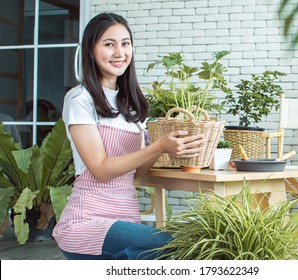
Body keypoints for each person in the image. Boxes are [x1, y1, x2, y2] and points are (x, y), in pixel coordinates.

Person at [52, 13, 205, 260]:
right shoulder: (80, 98)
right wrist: (157, 147)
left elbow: (135, 173)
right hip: (87, 222)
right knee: (176, 247)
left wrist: (165, 147)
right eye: (109, 44)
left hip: (125, 217)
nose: (119, 52)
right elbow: (100, 169)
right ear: (91, 50)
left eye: (125, 43)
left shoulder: (131, 104)